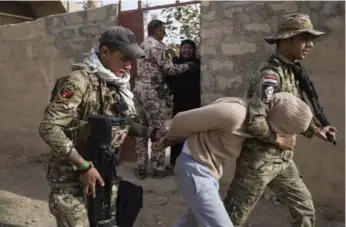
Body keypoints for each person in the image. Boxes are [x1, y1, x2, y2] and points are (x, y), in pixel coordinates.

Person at [222, 13, 337, 227]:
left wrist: (315, 130)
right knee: (232, 219)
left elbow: (288, 114)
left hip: (282, 160)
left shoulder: (292, 71)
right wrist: (279, 139)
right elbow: (254, 121)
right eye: (304, 38)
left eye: (311, 39)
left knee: (305, 211)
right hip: (259, 162)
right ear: (286, 40)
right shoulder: (270, 77)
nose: (310, 44)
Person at [38, 26, 156, 227]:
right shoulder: (78, 82)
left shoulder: (115, 84)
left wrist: (151, 133)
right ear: (105, 52)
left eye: (131, 60)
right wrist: (83, 166)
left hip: (103, 172)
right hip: (71, 179)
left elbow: (121, 123)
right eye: (125, 58)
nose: (129, 67)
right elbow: (49, 127)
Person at [152, 92, 313, 227]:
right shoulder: (235, 113)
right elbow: (181, 120)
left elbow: (206, 129)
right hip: (195, 169)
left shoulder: (252, 121)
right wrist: (169, 139)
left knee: (191, 223)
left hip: (209, 173)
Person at [133, 19, 198, 179]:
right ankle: (158, 167)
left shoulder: (141, 45)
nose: (165, 34)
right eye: (163, 31)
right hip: (151, 93)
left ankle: (141, 167)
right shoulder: (158, 46)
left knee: (141, 129)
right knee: (158, 129)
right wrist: (188, 66)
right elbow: (169, 69)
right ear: (156, 31)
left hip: (138, 90)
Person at [166, 39, 201, 167]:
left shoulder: (198, 63)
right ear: (180, 49)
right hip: (179, 102)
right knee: (178, 130)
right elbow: (168, 78)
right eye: (184, 48)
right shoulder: (174, 63)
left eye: (190, 48)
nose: (187, 50)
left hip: (195, 103)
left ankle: (192, 160)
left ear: (194, 50)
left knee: (193, 132)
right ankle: (175, 160)